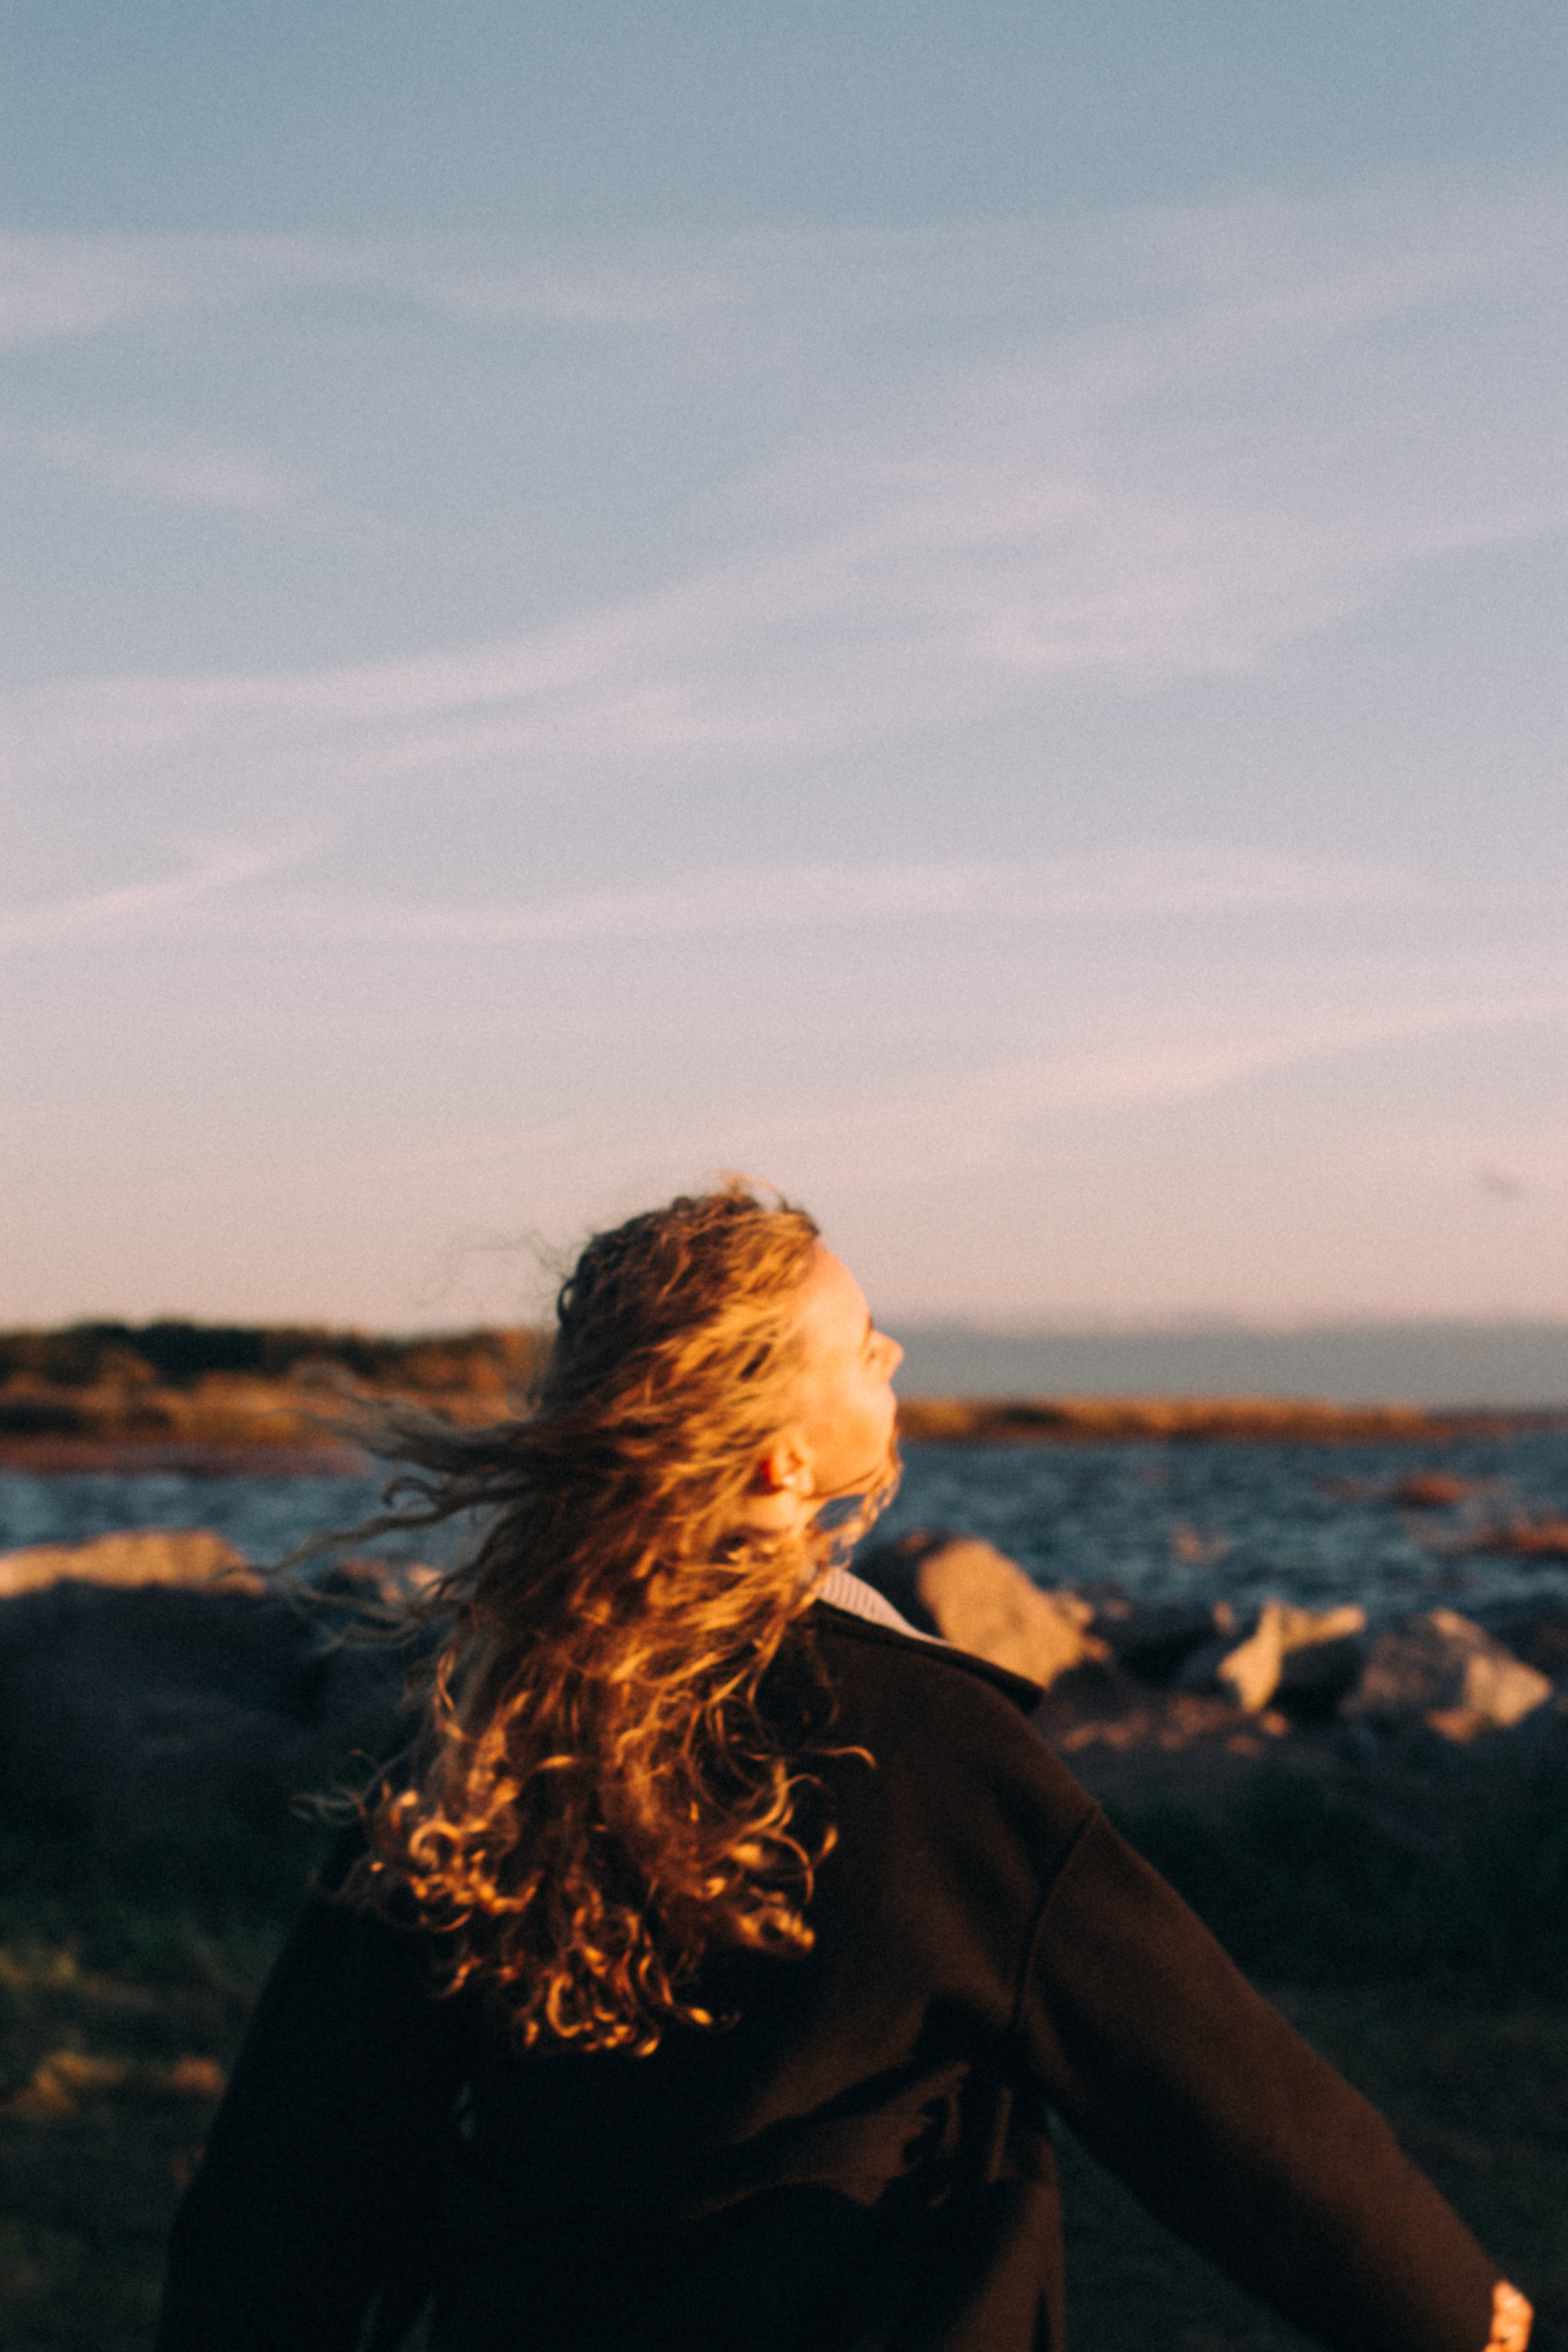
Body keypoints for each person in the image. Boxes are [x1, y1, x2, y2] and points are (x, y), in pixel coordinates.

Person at [156, 1184, 1534, 2352]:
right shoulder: (925, 1744)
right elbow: (1200, 2075)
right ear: (779, 1462)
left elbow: (302, 2152)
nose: (895, 1353)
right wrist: (1448, 2307)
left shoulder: (497, 1722)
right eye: (864, 1351)